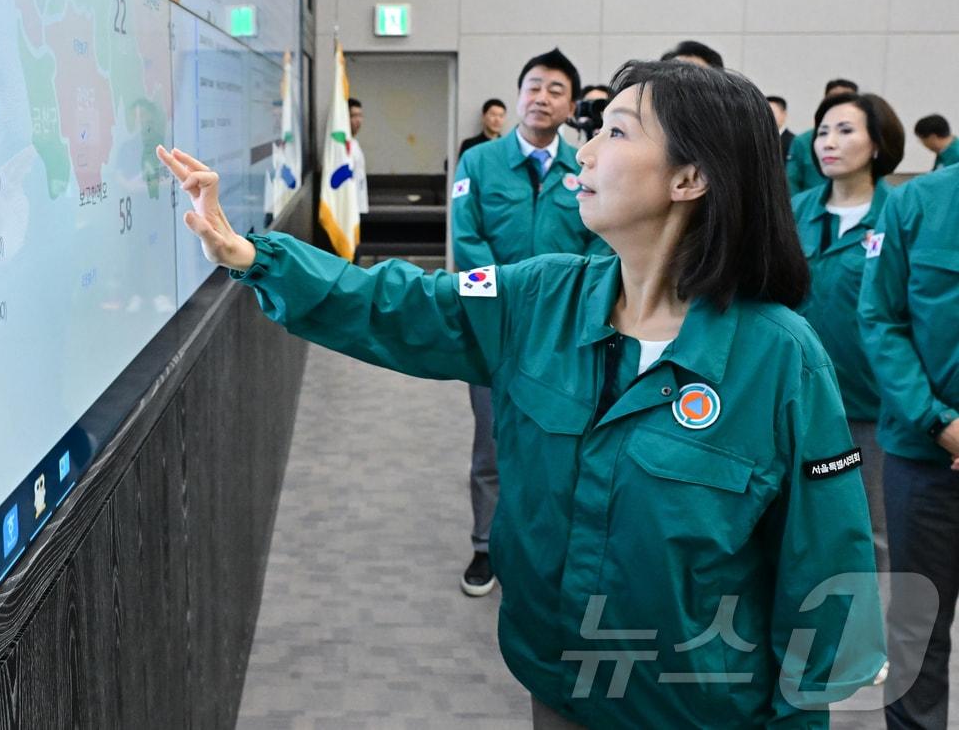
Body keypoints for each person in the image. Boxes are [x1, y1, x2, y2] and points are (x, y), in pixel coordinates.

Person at [157, 59, 885, 728]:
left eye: (616, 133)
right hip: (559, 682)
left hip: (694, 707)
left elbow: (823, 571)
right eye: (591, 130)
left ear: (690, 177)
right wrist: (257, 257)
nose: (587, 151)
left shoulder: (782, 360)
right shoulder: (542, 295)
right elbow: (402, 302)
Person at [450, 48, 606, 598]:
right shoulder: (479, 163)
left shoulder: (587, 167)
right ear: (518, 96)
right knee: (492, 441)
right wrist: (510, 304)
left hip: (565, 335)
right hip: (495, 330)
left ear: (572, 106)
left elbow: (598, 244)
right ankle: (485, 547)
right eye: (533, 86)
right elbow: (467, 244)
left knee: (557, 441)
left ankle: (542, 549)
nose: (541, 97)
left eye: (555, 89)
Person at [858, 163, 959, 730]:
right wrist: (936, 420)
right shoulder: (916, 202)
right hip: (924, 459)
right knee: (918, 626)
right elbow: (880, 319)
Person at [791, 91, 905, 573]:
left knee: (870, 530)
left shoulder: (901, 214)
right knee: (800, 521)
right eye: (821, 132)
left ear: (878, 144)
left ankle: (862, 642)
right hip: (796, 400)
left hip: (869, 410)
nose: (828, 143)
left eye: (845, 130)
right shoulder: (793, 212)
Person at [789, 80, 859, 194]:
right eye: (834, 98)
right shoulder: (802, 142)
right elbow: (791, 183)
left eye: (846, 99)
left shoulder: (864, 140)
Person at [347, 97, 368, 214]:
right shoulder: (342, 147)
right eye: (354, 116)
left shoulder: (355, 144)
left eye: (360, 115)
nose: (358, 120)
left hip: (359, 208)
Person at [768, 95, 793, 162]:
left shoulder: (793, 142)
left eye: (771, 113)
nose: (767, 117)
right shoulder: (757, 141)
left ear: (784, 114)